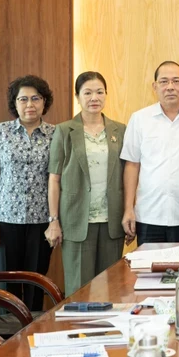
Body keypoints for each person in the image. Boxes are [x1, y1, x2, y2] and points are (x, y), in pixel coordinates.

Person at [45, 72, 126, 297]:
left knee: (111, 287)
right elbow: (54, 178)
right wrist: (53, 221)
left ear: (106, 95)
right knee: (80, 290)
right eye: (87, 92)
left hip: (112, 220)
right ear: (77, 96)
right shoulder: (64, 130)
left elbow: (129, 174)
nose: (94, 97)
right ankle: (78, 332)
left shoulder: (120, 130)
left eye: (100, 92)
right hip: (76, 220)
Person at [0, 75, 55, 311]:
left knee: (36, 281)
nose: (29, 104)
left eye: (35, 98)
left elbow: (58, 180)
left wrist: (55, 221)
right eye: (23, 99)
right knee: (8, 285)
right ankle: (8, 340)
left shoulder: (56, 134)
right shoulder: (0, 132)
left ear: (44, 102)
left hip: (41, 220)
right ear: (15, 103)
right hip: (5, 220)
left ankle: (34, 335)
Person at [120, 61, 179, 245]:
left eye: (176, 81)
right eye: (164, 81)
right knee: (149, 271)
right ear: (154, 86)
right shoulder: (139, 119)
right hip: (149, 215)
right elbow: (132, 165)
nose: (170, 87)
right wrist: (128, 209)